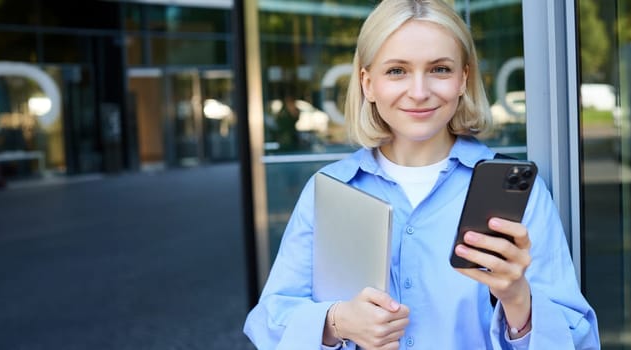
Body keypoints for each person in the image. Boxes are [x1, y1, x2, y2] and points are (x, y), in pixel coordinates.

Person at [243, 0, 600, 348]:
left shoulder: (523, 194)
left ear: (463, 79)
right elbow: (269, 323)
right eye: (396, 71)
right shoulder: (330, 189)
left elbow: (579, 337)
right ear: (368, 84)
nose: (419, 92)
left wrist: (517, 298)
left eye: (439, 70)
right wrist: (335, 322)